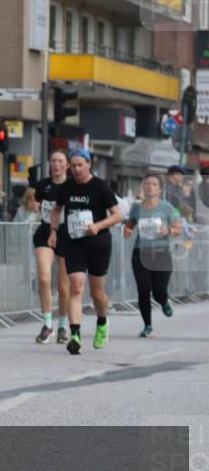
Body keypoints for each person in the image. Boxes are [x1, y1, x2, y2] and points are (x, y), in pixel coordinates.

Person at [47, 150, 123, 354]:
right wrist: (53, 231)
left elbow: (117, 216)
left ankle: (102, 322)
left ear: (89, 164)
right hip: (75, 243)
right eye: (74, 166)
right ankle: (75, 335)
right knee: (76, 288)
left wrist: (98, 226)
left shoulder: (101, 187)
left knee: (97, 293)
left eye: (81, 165)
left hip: (98, 243)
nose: (77, 169)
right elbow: (56, 210)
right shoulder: (66, 187)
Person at [124, 173, 182, 337]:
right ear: (143, 187)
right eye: (147, 184)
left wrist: (168, 230)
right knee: (143, 290)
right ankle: (147, 326)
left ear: (159, 189)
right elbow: (129, 226)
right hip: (140, 253)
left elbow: (179, 229)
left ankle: (163, 301)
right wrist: (127, 230)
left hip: (161, 254)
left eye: (154, 184)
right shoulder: (136, 208)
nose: (150, 187)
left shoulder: (167, 207)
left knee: (158, 291)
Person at [29, 150, 71, 344]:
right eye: (53, 161)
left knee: (63, 286)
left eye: (60, 161)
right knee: (44, 278)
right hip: (45, 232)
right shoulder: (43, 185)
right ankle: (47, 325)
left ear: (67, 165)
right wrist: (34, 205)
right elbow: (36, 201)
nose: (56, 164)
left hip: (67, 234)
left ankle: (63, 325)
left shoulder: (72, 186)